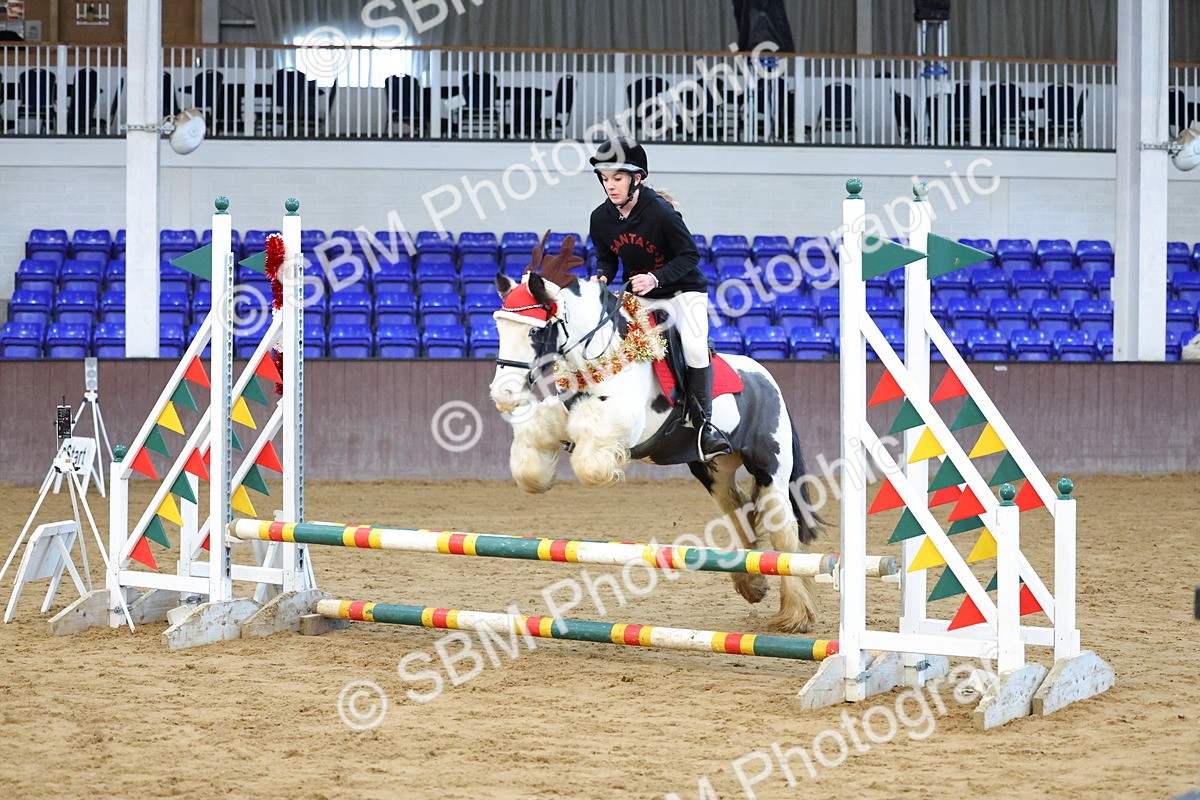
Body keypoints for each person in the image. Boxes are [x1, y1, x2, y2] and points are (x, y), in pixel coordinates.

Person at [587, 136, 732, 461]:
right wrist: (603, 276)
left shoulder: (661, 213)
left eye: (618, 178)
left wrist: (656, 277)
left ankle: (704, 425)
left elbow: (689, 256)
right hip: (642, 294)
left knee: (694, 344)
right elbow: (608, 257)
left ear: (637, 178)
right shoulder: (600, 218)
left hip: (683, 290)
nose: (610, 186)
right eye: (605, 178)